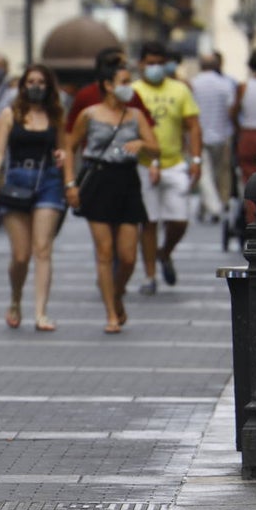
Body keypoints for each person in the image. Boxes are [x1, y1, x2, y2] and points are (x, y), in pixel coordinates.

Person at [64, 62, 159, 333]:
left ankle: (117, 293)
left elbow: (156, 150)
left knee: (128, 256)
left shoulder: (136, 116)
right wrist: (70, 183)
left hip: (127, 181)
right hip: (98, 181)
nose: (129, 87)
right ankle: (111, 314)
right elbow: (70, 147)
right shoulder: (89, 114)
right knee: (105, 253)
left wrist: (143, 145)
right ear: (107, 85)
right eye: (124, 81)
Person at [0, 64, 68, 331]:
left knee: (42, 250)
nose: (36, 86)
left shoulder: (56, 116)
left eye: (41, 82)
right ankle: (16, 299)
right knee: (21, 255)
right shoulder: (10, 114)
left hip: (48, 183)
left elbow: (64, 148)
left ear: (49, 87)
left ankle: (41, 313)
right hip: (16, 182)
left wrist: (63, 157)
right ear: (22, 86)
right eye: (31, 81)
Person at [133, 41, 203, 294]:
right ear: (141, 64)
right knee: (148, 222)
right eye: (150, 63)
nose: (155, 68)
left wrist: (196, 159)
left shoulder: (180, 90)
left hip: (174, 164)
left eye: (159, 64)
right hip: (142, 165)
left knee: (180, 220)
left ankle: (165, 252)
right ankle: (150, 276)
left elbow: (193, 125)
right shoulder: (133, 91)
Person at [190, 53, 236, 222]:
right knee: (218, 174)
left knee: (205, 175)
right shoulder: (225, 85)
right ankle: (216, 205)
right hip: (222, 134)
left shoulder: (193, 84)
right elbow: (231, 110)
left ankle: (209, 207)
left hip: (200, 135)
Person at [66, 47, 151, 132]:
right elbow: (71, 130)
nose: (124, 69)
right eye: (121, 65)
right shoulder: (85, 95)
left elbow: (149, 129)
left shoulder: (132, 95)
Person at [230, 48, 256, 223]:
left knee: (249, 179)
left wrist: (239, 129)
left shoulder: (244, 87)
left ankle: (252, 218)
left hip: (248, 134)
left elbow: (233, 112)